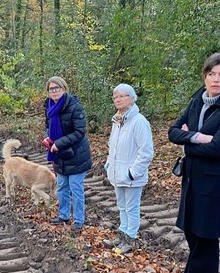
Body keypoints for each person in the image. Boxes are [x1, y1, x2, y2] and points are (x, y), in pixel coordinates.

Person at [168, 52, 220, 273]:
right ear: (205, 76)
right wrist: (197, 137)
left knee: (206, 233)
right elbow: (172, 132)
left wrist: (187, 142)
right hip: (190, 177)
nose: (216, 79)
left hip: (212, 179)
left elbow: (218, 148)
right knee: (190, 230)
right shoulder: (196, 103)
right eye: (212, 74)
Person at [102, 84, 154, 254]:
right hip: (117, 173)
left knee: (131, 208)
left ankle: (130, 239)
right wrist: (109, 165)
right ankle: (122, 236)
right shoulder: (117, 121)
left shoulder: (139, 122)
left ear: (131, 99)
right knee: (122, 206)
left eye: (122, 96)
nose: (118, 99)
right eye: (115, 97)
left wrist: (133, 172)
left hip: (131, 176)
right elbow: (112, 147)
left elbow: (146, 152)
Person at [43, 76, 92, 231]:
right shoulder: (49, 106)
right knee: (62, 186)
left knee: (75, 187)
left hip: (76, 153)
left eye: (57, 88)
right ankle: (63, 215)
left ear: (64, 89)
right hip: (59, 154)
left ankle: (79, 220)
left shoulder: (74, 106)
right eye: (51, 89)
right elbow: (48, 126)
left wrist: (59, 143)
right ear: (48, 92)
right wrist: (49, 139)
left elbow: (80, 131)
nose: (54, 91)